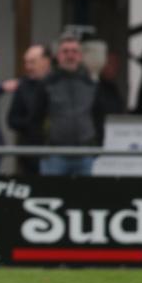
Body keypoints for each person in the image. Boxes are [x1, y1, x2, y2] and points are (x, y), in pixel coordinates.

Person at [33, 33, 104, 176]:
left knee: (83, 197)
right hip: (54, 154)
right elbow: (35, 118)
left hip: (84, 153)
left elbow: (98, 116)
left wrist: (97, 146)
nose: (70, 55)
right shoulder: (47, 83)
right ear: (58, 56)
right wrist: (41, 149)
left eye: (74, 51)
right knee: (52, 194)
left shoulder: (90, 83)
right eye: (65, 51)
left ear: (80, 56)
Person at [6, 44, 51, 175]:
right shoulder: (23, 86)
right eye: (26, 62)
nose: (28, 67)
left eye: (32, 62)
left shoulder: (56, 83)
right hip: (29, 152)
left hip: (55, 151)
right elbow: (12, 119)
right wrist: (32, 124)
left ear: (46, 61)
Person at [94, 50, 126, 144]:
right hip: (99, 140)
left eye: (116, 64)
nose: (115, 67)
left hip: (115, 138)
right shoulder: (94, 88)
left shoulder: (114, 89)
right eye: (110, 63)